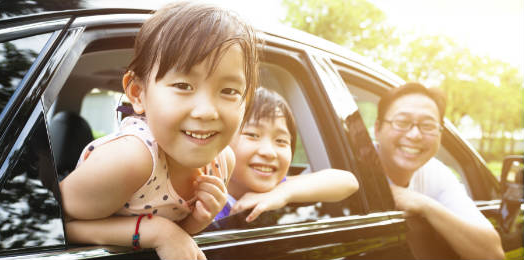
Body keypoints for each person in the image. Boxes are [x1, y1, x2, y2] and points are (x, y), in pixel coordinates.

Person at [58, 2, 259, 259]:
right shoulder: (130, 160)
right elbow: (52, 223)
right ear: (137, 93)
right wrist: (156, 232)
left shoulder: (222, 162)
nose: (207, 111)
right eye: (184, 85)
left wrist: (197, 221)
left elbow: (177, 243)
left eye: (229, 91)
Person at [374, 82, 504, 259]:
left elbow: (493, 255)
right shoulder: (348, 171)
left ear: (440, 134)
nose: (414, 135)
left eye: (427, 125)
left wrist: (426, 206)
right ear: (377, 129)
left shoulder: (436, 173)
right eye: (402, 122)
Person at [216, 87, 359, 222]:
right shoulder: (203, 204)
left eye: (281, 141)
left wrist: (283, 193)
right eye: (252, 135)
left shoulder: (279, 188)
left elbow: (349, 181)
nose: (269, 152)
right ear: (218, 141)